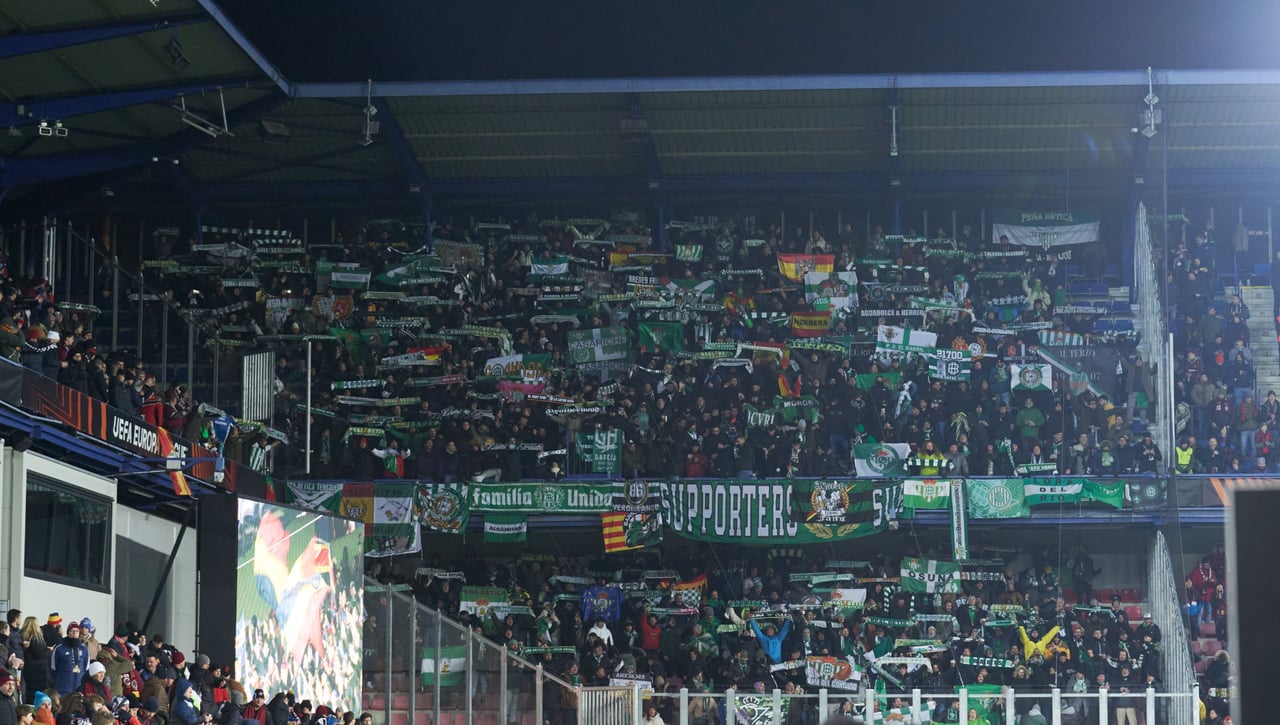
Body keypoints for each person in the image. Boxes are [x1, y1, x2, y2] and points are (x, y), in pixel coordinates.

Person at [50, 622, 89, 696]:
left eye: (76, 631)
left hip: (79, 690)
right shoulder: (59, 648)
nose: (74, 633)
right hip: (62, 690)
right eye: (72, 631)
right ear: (68, 633)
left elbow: (86, 669)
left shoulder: (84, 650)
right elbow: (53, 668)